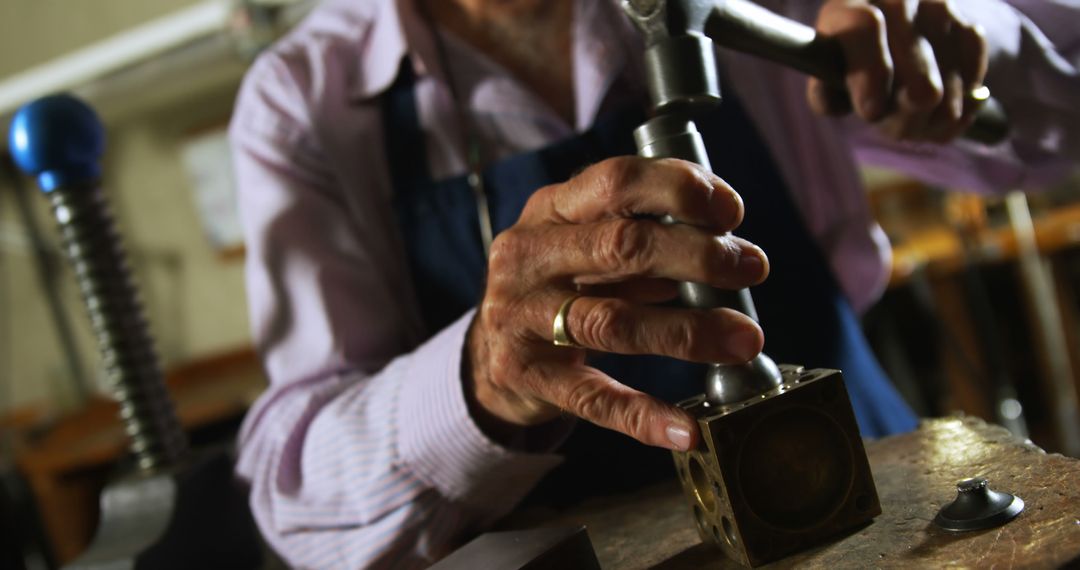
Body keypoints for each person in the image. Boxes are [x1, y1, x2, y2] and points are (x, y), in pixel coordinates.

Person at [228, 0, 1079, 567]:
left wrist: (964, 34)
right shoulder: (305, 101)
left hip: (893, 507)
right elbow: (299, 501)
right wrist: (484, 376)